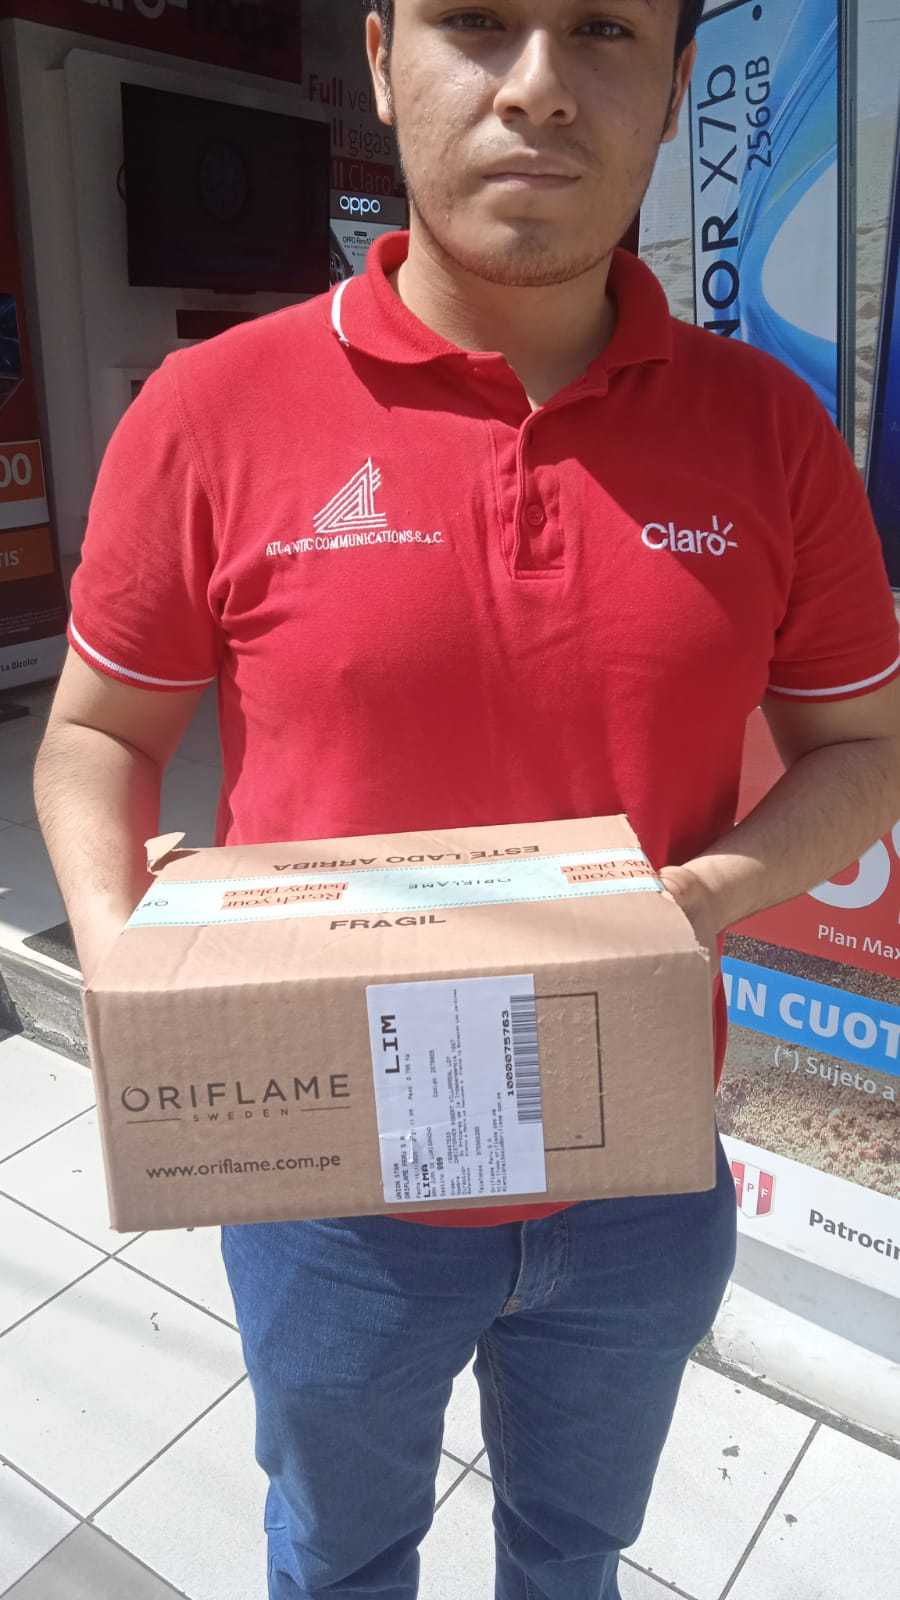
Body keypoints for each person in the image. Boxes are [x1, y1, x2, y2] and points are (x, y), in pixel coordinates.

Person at [35, 2, 900, 1597]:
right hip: (330, 1187)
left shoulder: (769, 431)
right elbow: (94, 732)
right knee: (342, 1558)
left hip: (640, 1168)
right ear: (379, 58)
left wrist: (706, 894)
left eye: (603, 32)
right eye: (480, 23)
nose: (541, 89)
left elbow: (866, 746)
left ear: (675, 90)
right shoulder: (211, 411)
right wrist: (126, 963)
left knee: (574, 1554)